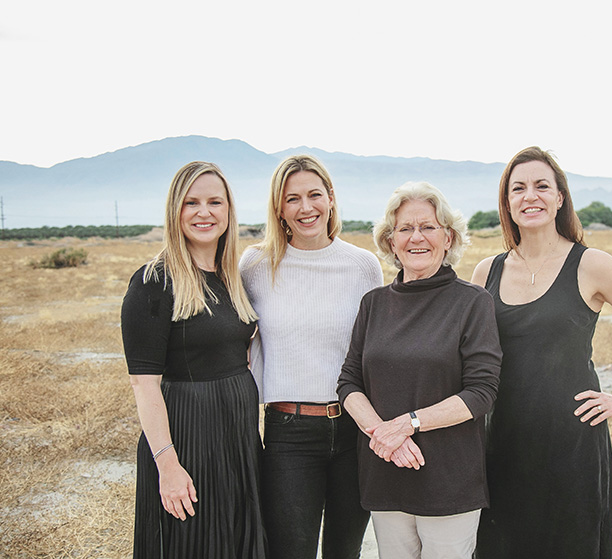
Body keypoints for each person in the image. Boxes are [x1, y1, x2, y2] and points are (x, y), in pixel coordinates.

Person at [472, 147, 612, 559]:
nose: (530, 196)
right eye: (519, 188)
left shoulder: (592, 265)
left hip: (572, 445)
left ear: (560, 198)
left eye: (542, 186)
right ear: (507, 202)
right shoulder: (486, 272)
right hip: (501, 443)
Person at [337, 181, 502, 559]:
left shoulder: (473, 303)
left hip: (449, 478)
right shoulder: (373, 304)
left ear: (448, 237)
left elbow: (481, 392)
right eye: (405, 229)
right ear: (390, 241)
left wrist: (408, 423)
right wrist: (385, 434)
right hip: (385, 471)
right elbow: (349, 382)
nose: (417, 237)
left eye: (428, 227)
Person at [240, 155, 382, 559]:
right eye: (293, 199)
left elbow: (376, 349)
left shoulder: (363, 266)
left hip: (354, 429)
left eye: (315, 195)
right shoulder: (256, 265)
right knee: (289, 551)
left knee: (345, 550)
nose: (306, 208)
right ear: (278, 208)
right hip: (290, 432)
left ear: (331, 199)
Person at [121, 161, 266, 558]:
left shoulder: (231, 277)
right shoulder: (153, 281)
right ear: (175, 211)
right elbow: (143, 383)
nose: (204, 212)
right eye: (192, 203)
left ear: (228, 210)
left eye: (214, 202)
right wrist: (168, 466)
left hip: (237, 437)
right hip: (188, 437)